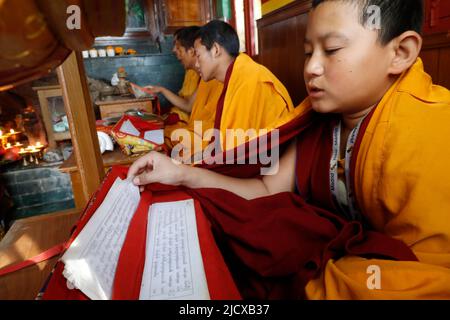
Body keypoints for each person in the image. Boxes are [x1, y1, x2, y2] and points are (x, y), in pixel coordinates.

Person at [128, 0, 450, 299]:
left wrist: (315, 280)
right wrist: (184, 174)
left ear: (401, 52)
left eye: (332, 49)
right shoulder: (323, 119)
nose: (311, 68)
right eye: (309, 53)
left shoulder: (426, 127)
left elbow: (430, 278)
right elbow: (267, 188)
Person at [193, 20, 299, 152]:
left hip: (272, 161)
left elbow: (236, 151)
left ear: (215, 50)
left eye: (198, 55)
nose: (196, 64)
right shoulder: (233, 77)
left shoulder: (248, 79)